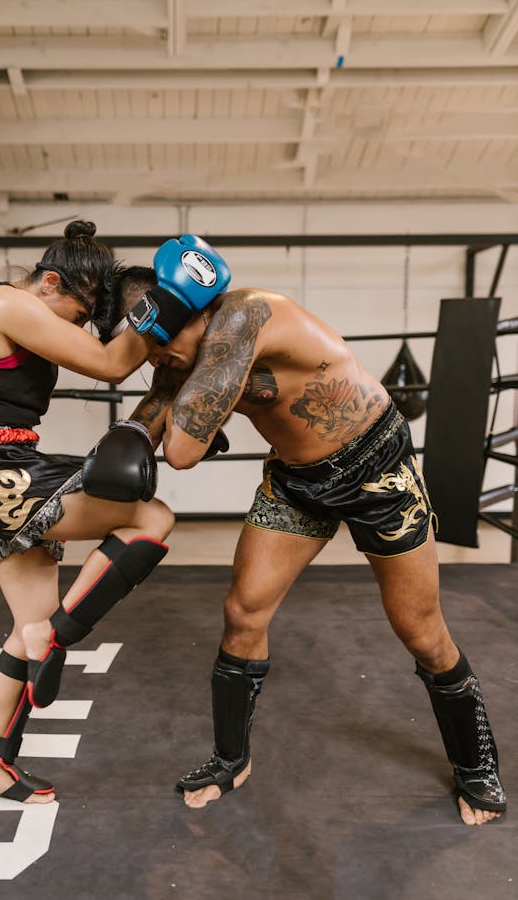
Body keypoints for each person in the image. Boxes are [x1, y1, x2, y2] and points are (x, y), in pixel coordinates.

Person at [102, 265, 506, 828]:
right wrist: (122, 441)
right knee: (243, 611)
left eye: (155, 345)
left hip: (376, 470)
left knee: (421, 630)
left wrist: (173, 429)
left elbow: (184, 452)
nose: (154, 361)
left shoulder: (243, 318)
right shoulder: (178, 353)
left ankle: (477, 766)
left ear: (181, 313)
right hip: (297, 481)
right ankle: (230, 760)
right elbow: (160, 406)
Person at [0, 222, 231, 803]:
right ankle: (58, 635)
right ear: (50, 282)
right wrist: (171, 298)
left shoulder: (18, 309)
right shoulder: (4, 304)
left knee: (24, 630)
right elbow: (109, 364)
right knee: (151, 517)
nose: (73, 328)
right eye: (77, 314)